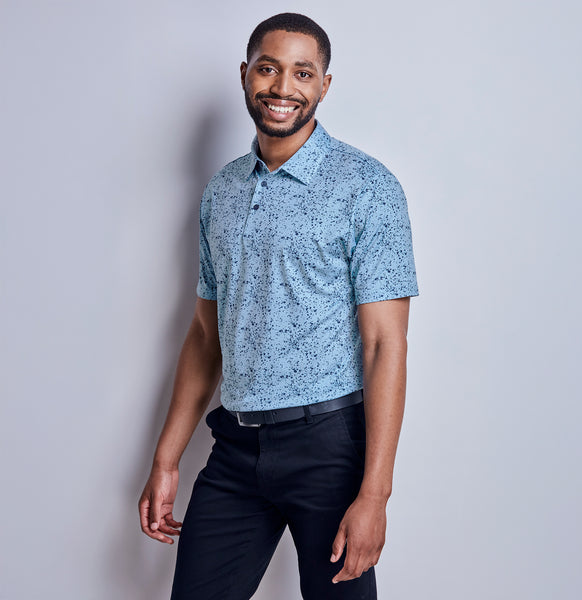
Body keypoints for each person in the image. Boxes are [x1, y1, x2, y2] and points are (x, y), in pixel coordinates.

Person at [138, 12, 419, 600]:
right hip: (236, 449)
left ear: (324, 85)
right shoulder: (222, 191)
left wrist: (375, 495)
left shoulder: (367, 188)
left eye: (302, 73)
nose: (283, 87)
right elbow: (205, 335)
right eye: (268, 69)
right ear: (245, 74)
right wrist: (167, 459)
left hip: (330, 449)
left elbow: (384, 344)